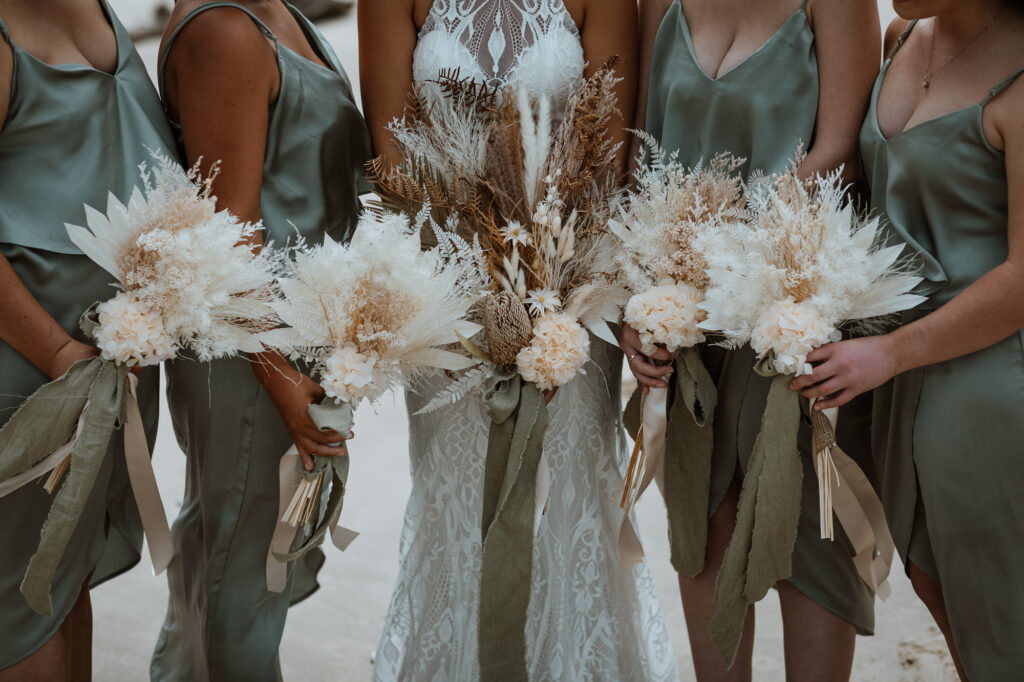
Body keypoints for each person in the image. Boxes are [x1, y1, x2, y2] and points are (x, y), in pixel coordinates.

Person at [358, 1, 678, 679]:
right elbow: (393, 162)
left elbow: (610, 162)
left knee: (568, 495)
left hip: (569, 298)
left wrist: (552, 289)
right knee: (457, 498)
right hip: (446, 307)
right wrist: (473, 294)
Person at [621, 0, 882, 679]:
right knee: (700, 524)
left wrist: (727, 249)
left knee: (806, 538)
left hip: (793, 310)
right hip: (687, 314)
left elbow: (840, 153)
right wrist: (638, 297)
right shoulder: (659, 6)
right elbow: (640, 151)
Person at [791, 1, 1024, 679]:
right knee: (936, 582)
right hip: (892, 372)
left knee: (996, 610)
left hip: (983, 380)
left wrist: (889, 353)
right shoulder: (900, 36)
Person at [151, 2, 370, 679]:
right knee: (236, 578)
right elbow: (228, 239)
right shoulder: (226, 32)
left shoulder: (277, 11)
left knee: (233, 560)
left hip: (286, 344)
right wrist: (281, 378)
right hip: (254, 359)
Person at [0, 0, 175, 677]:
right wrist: (59, 355)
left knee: (63, 588)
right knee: (22, 609)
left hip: (108, 372)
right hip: (33, 374)